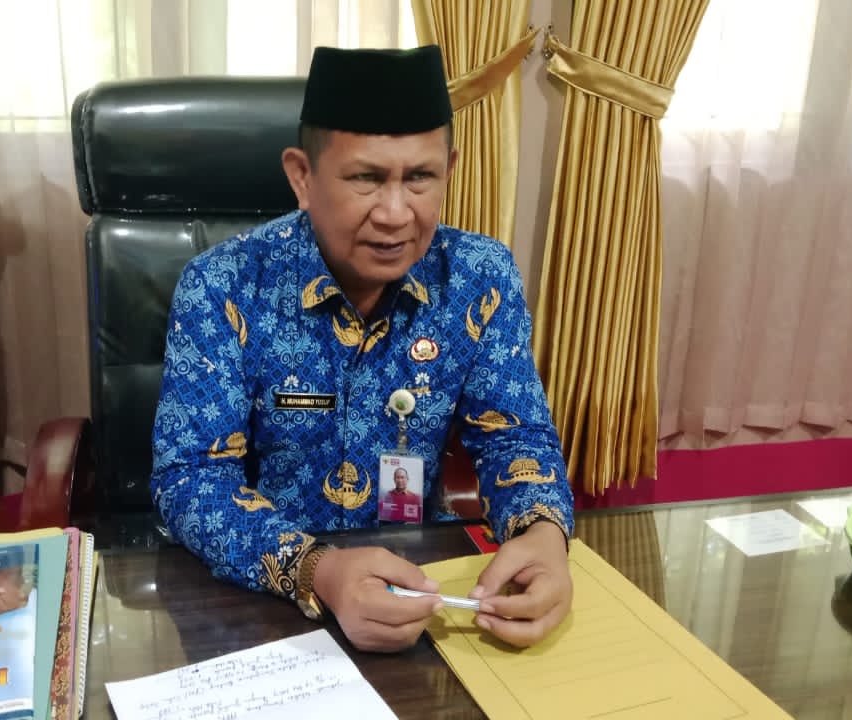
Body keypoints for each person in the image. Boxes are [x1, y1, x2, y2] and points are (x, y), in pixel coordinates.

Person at [150, 44, 574, 653]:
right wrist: (318, 570)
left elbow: (516, 438)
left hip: (422, 595)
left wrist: (543, 535)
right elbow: (190, 479)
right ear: (302, 177)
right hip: (269, 606)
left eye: (420, 177)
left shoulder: (479, 277)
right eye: (366, 179)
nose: (396, 214)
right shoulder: (224, 285)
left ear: (449, 169)